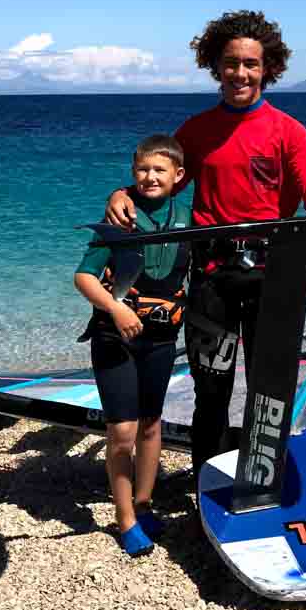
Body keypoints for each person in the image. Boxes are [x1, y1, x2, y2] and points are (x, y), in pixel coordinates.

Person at [105, 10, 306, 482]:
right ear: (216, 66)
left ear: (267, 68)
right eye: (231, 63)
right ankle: (208, 485)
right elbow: (161, 183)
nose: (240, 73)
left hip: (271, 276)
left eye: (251, 64)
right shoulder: (196, 131)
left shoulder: (288, 131)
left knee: (269, 389)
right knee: (211, 392)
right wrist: (121, 194)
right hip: (212, 276)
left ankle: (264, 480)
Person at [75, 134, 190, 556]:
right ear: (131, 173)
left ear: (178, 175)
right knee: (122, 431)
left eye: (160, 170)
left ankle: (144, 504)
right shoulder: (119, 218)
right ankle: (124, 519)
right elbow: (83, 276)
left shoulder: (190, 218)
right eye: (142, 169)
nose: (150, 177)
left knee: (151, 424)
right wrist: (115, 308)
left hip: (161, 338)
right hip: (114, 336)